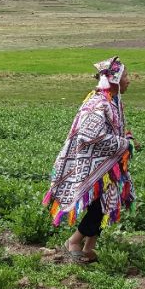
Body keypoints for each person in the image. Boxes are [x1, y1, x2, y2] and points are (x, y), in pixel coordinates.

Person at [43, 56, 136, 264]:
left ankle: (88, 248)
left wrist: (126, 139)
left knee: (106, 203)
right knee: (99, 207)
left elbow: (111, 131)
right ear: (114, 80)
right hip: (91, 164)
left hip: (106, 166)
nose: (129, 80)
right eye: (126, 76)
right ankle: (73, 242)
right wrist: (123, 144)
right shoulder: (97, 104)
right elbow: (89, 136)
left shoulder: (113, 101)